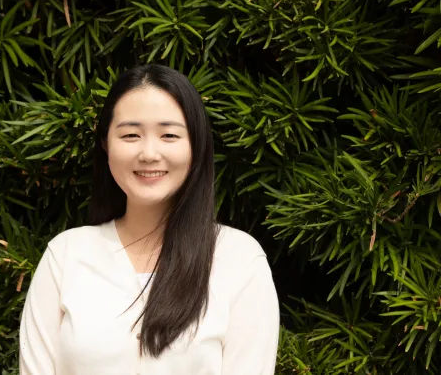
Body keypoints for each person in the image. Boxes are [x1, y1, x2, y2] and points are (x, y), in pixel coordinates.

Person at [19, 64, 279, 374]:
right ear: (106, 144)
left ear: (196, 145)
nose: (149, 153)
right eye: (130, 135)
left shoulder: (239, 260)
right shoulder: (65, 255)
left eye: (169, 135)